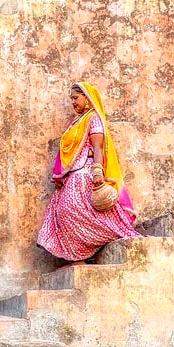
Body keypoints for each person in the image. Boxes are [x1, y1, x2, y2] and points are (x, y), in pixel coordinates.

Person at [37, 81, 140, 262]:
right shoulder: (76, 122)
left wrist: (98, 172)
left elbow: (98, 147)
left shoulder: (93, 119)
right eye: (71, 99)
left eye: (76, 98)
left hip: (86, 172)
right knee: (63, 212)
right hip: (72, 175)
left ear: (87, 98)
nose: (73, 103)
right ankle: (76, 257)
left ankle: (103, 238)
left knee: (69, 210)